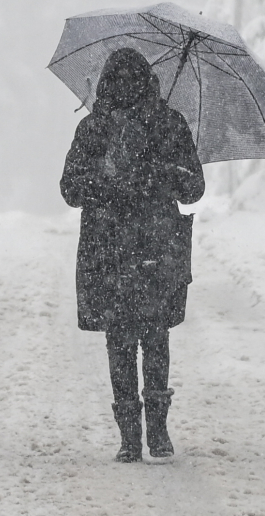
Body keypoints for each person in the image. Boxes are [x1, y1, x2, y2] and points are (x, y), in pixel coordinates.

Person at [59, 47, 205, 463]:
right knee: (120, 340)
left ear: (145, 82)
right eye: (117, 81)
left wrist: (158, 169)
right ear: (107, 84)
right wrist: (104, 178)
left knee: (155, 335)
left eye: (132, 81)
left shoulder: (169, 124)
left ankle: (156, 430)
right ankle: (129, 435)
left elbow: (194, 186)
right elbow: (70, 189)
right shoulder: (93, 129)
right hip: (109, 251)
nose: (124, 89)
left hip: (156, 248)